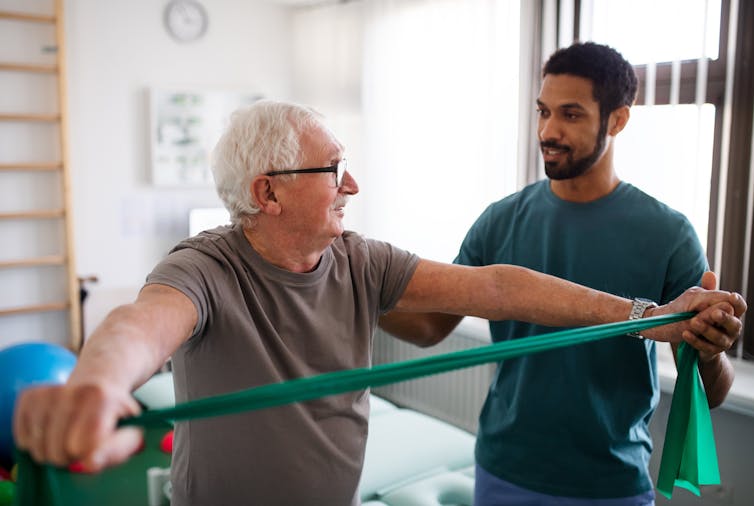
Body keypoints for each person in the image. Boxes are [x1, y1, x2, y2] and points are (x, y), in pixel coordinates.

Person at [13, 100, 744, 506]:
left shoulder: (358, 258)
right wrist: (98, 385)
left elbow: (495, 285)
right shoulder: (205, 267)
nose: (352, 186)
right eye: (334, 170)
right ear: (267, 192)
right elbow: (142, 325)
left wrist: (647, 318)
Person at [379, 42, 746, 505]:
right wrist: (356, 289)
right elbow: (430, 326)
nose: (548, 130)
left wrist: (711, 352)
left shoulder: (668, 233)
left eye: (570, 115)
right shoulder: (501, 219)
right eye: (543, 111)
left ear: (618, 119)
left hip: (610, 483)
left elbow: (708, 392)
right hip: (504, 470)